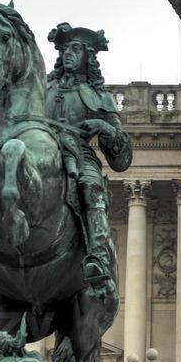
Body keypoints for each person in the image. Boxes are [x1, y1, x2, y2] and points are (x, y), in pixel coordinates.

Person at [45, 23, 133, 301]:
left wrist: (103, 127)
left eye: (75, 49)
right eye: (64, 49)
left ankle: (97, 256)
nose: (68, 53)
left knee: (92, 188)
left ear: (88, 56)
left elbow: (121, 157)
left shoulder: (100, 98)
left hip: (81, 157)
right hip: (39, 152)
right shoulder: (41, 89)